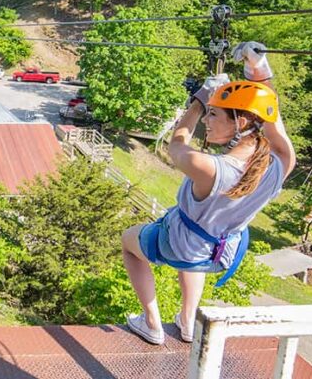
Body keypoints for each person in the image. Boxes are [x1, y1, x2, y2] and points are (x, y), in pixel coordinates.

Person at [121, 41, 296, 345]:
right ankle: (188, 321)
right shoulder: (280, 164)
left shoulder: (210, 168)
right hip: (220, 253)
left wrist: (200, 100)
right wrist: (259, 71)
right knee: (197, 241)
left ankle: (151, 323)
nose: (205, 122)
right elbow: (270, 115)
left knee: (128, 242)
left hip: (177, 246)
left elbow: (175, 144)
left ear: (240, 122)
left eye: (214, 115)